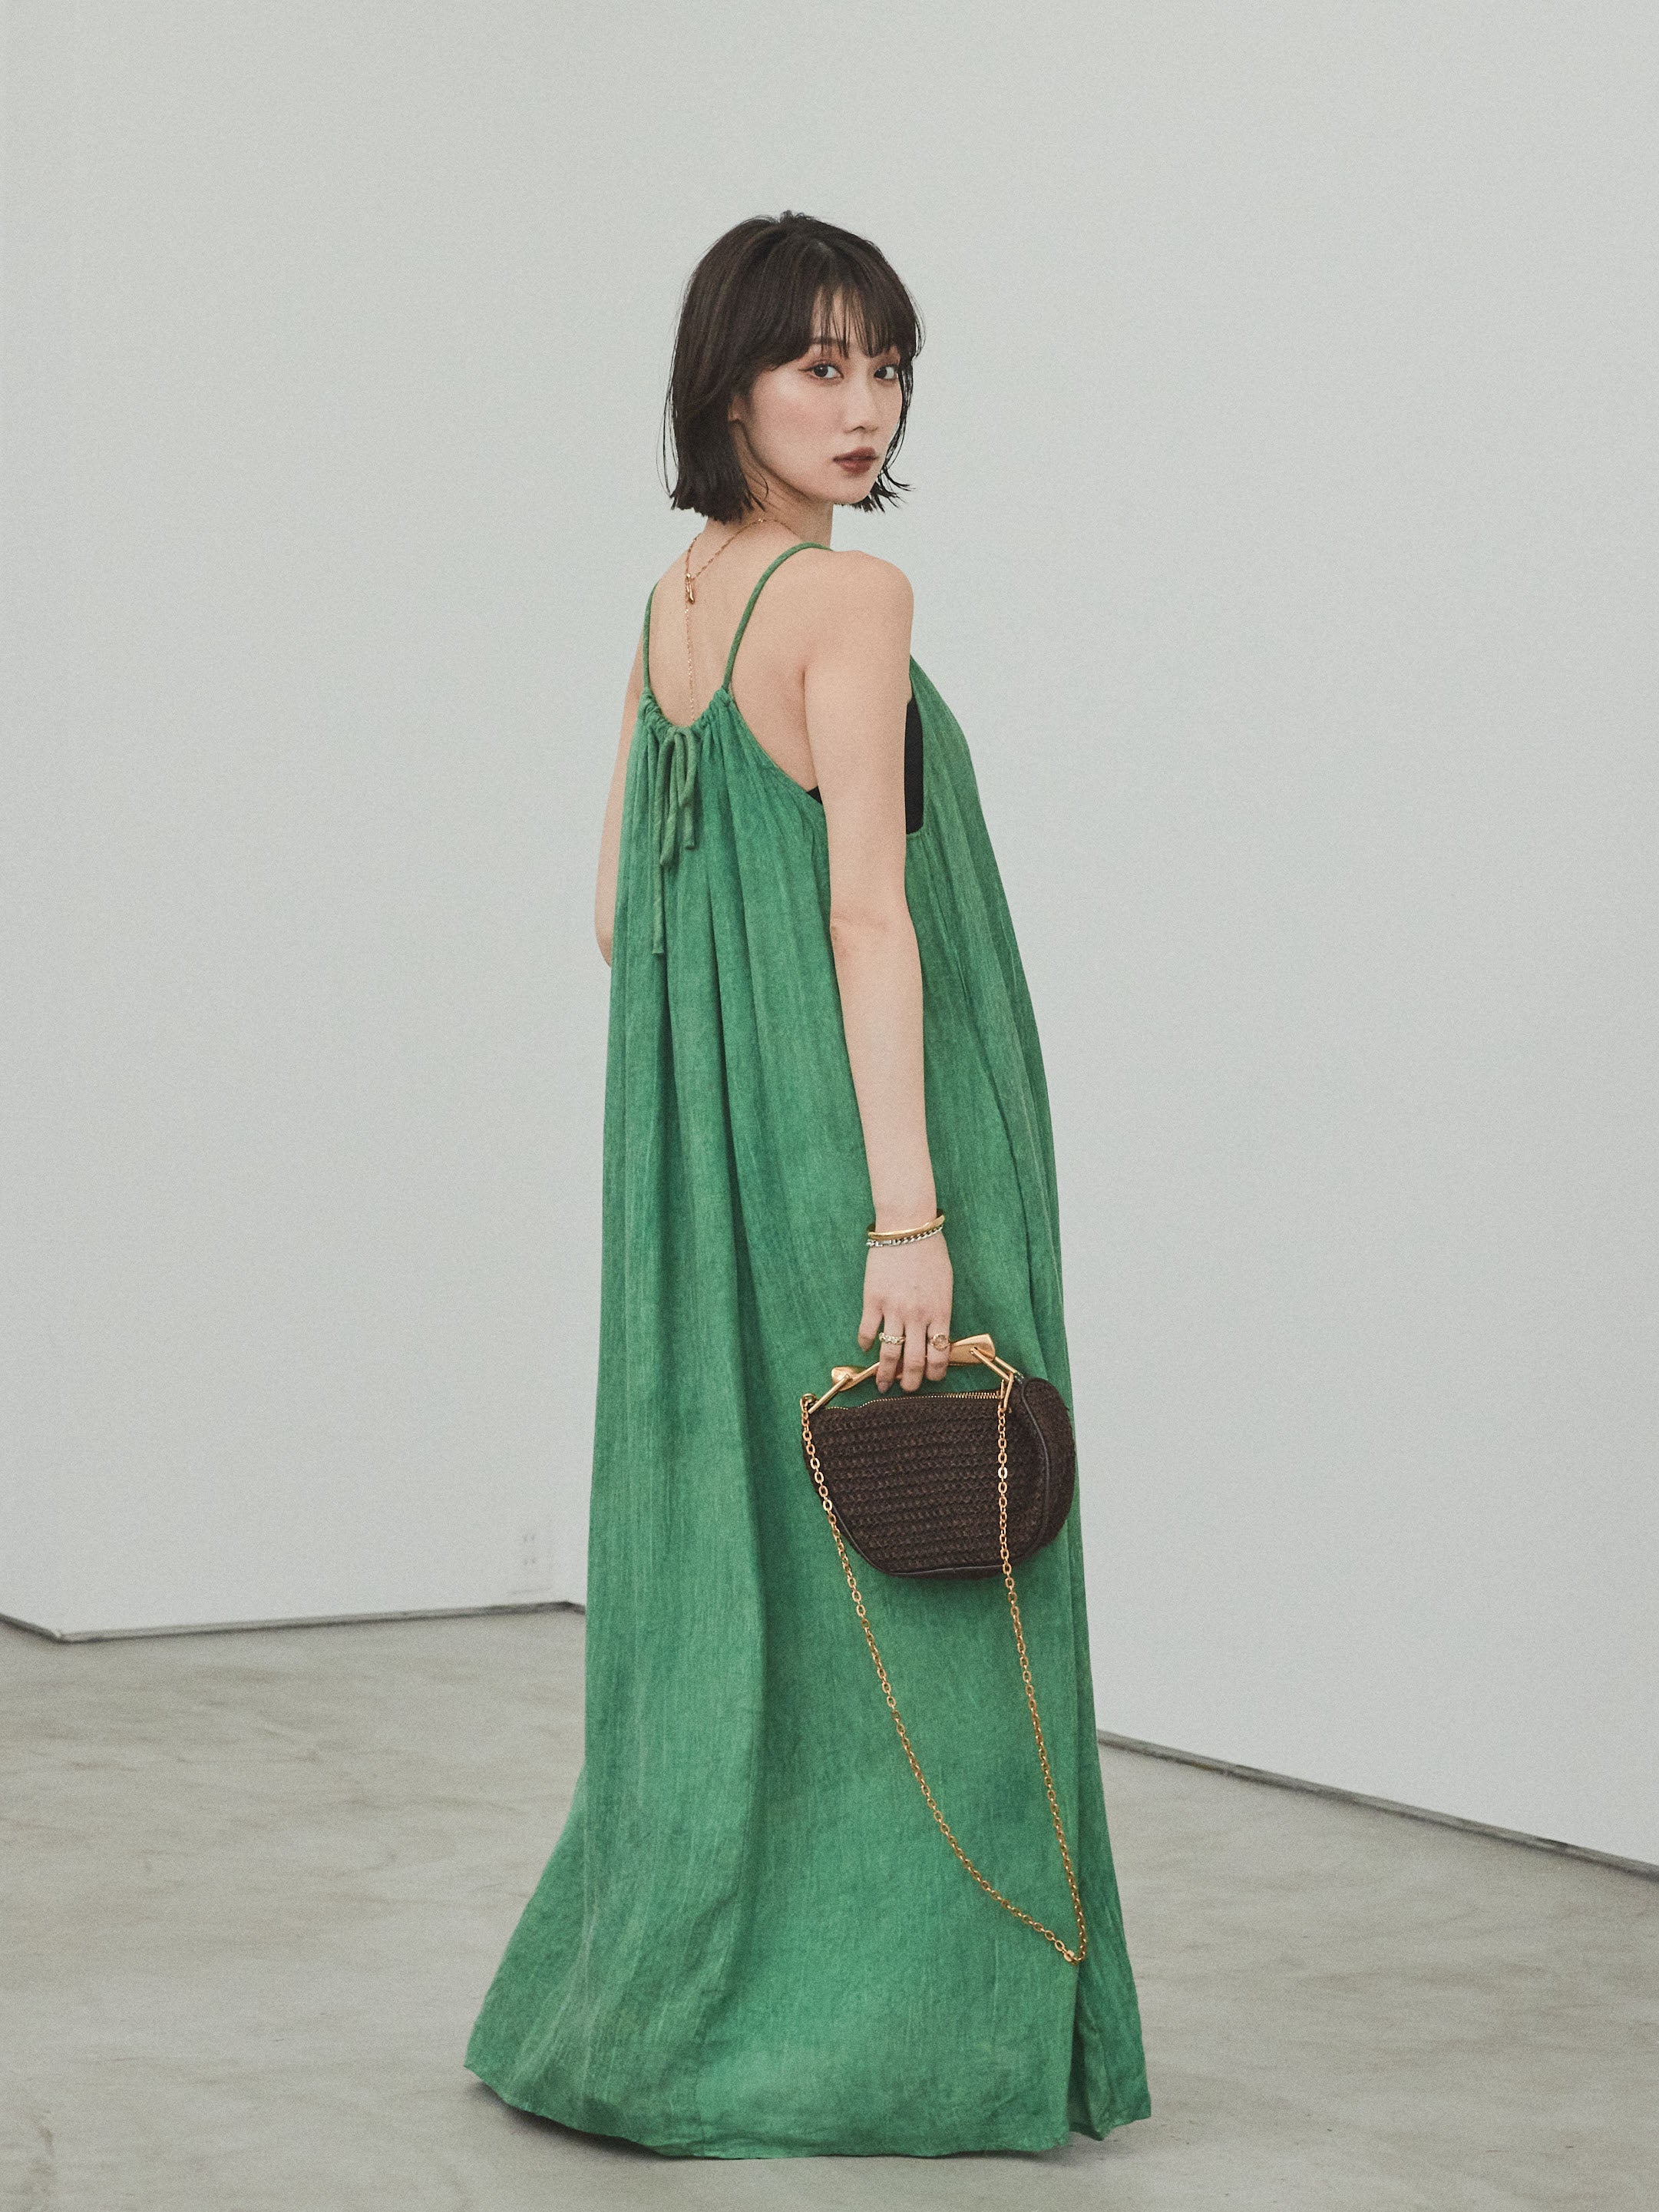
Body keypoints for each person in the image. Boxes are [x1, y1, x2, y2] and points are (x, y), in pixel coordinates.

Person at [465, 210, 1150, 2159]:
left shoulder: (679, 599)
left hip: (715, 1160)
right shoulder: (849, 602)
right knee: (950, 1557)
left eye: (886, 365)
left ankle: (676, 1995)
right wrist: (906, 1213)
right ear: (730, 384)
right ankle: (922, 2034)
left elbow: (619, 912)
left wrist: (728, 1086)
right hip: (878, 1148)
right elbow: (867, 912)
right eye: (817, 366)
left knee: (756, 1559)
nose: (865, 408)